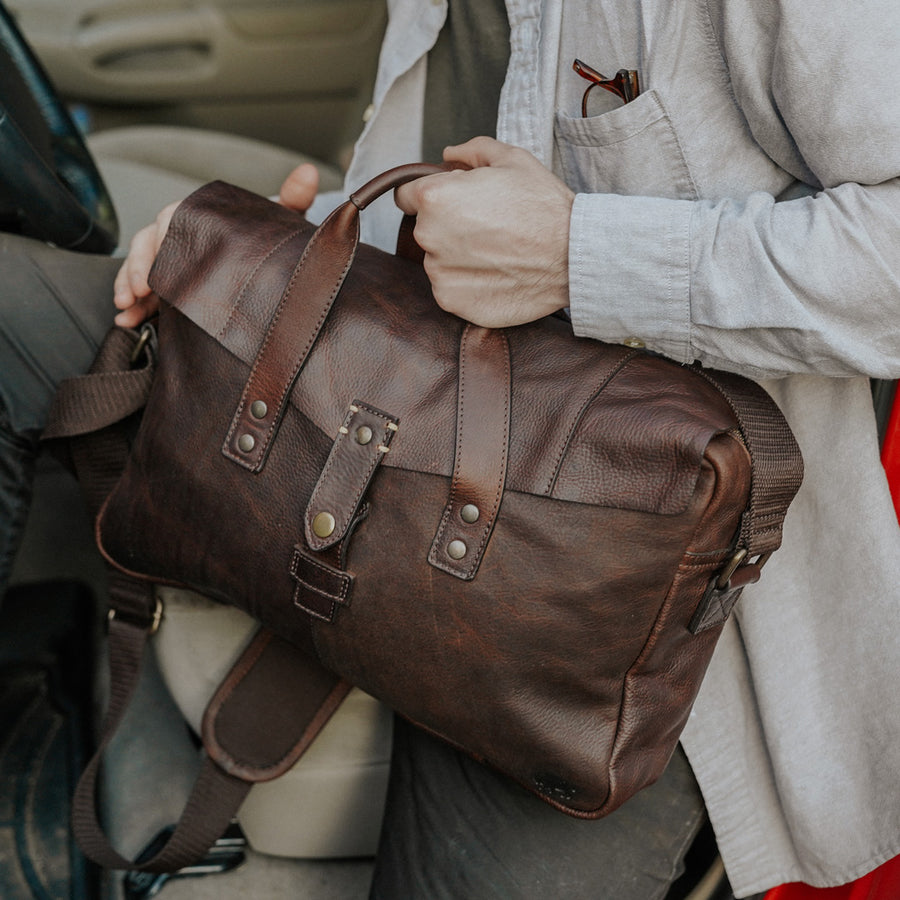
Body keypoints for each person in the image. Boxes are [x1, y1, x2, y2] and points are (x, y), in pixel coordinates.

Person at [3, 0, 900, 896]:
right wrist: (239, 250)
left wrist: (577, 253)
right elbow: (449, 198)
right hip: (408, 380)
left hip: (606, 571)